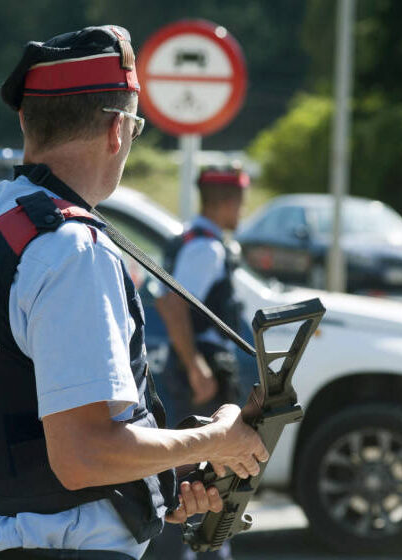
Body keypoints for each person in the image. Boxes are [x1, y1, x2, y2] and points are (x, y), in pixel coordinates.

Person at [0, 26, 268, 560]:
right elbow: (82, 457)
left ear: (24, 119)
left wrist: (153, 486)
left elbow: (26, 430)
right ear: (117, 129)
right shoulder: (71, 250)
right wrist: (219, 440)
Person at [149, 167, 249, 560]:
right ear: (227, 202)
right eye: (239, 202)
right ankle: (194, 551)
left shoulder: (193, 238)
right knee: (200, 473)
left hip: (200, 366)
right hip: (203, 369)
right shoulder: (205, 247)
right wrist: (196, 367)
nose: (240, 211)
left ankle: (207, 550)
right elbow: (172, 303)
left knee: (204, 470)